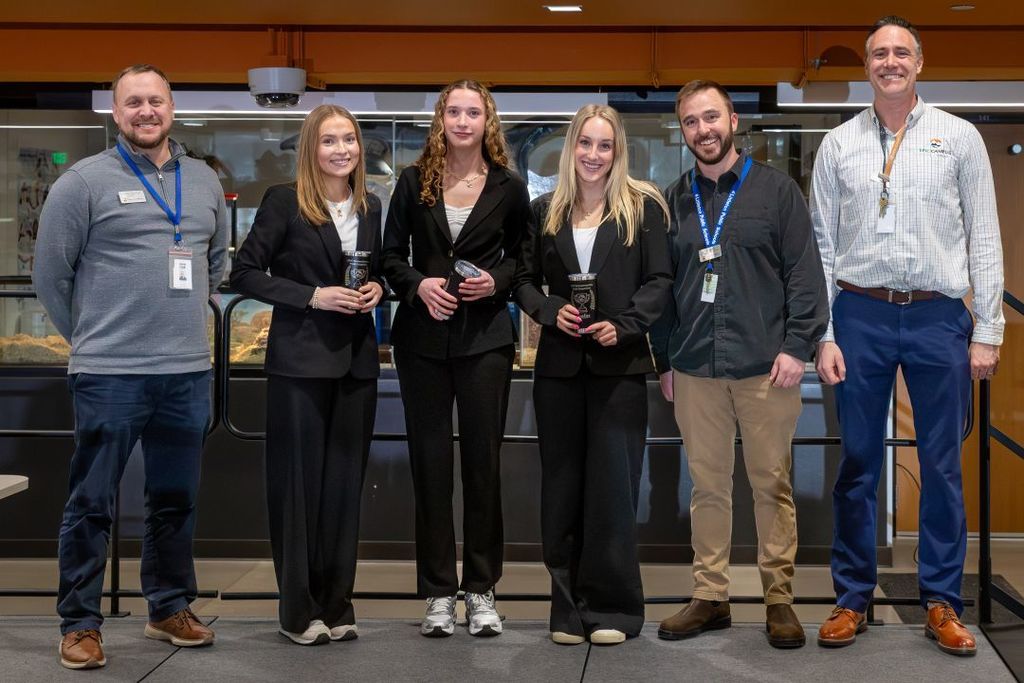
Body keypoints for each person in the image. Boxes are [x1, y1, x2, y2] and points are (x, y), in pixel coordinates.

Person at [811, 16, 1003, 656]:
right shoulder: (838, 145)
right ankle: (851, 597)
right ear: (866, 66)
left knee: (943, 467)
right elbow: (821, 248)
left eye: (900, 52)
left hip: (938, 317)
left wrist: (988, 329)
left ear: (920, 63)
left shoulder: (960, 137)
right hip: (859, 314)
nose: (889, 61)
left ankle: (942, 599)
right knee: (858, 465)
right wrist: (826, 333)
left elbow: (986, 238)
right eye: (878, 53)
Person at [33, 64, 227, 669]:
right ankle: (80, 623)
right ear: (115, 113)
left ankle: (168, 607)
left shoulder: (203, 182)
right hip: (109, 373)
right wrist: (91, 339)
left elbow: (215, 265)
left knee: (176, 499)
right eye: (133, 102)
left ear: (172, 108)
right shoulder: (81, 183)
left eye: (157, 101)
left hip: (187, 371)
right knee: (91, 500)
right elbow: (50, 276)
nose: (146, 111)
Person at [651, 80, 828, 649]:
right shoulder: (673, 199)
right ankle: (711, 597)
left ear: (731, 120)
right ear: (682, 131)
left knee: (771, 485)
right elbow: (662, 289)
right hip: (695, 369)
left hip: (765, 368)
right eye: (690, 122)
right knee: (706, 487)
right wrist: (665, 359)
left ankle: (779, 600)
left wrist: (797, 348)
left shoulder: (777, 192)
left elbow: (806, 277)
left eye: (711, 117)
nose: (702, 130)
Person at [514, 104, 672, 646]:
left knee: (612, 492)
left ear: (617, 151)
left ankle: (614, 610)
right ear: (570, 147)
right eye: (585, 143)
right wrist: (548, 309)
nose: (594, 155)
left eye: (605, 146)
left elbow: (659, 282)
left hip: (618, 368)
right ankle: (566, 611)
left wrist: (624, 326)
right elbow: (524, 282)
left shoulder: (642, 208)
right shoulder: (543, 212)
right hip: (558, 370)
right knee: (560, 491)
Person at [231, 105, 384, 646]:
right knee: (298, 491)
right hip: (298, 363)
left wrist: (378, 289)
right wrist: (312, 296)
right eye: (329, 141)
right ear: (310, 149)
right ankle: (298, 611)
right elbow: (244, 272)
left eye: (349, 140)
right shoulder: (283, 202)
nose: (341, 149)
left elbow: (377, 266)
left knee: (344, 490)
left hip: (357, 364)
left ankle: (337, 605)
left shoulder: (370, 205)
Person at [381, 79, 530, 638]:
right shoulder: (414, 182)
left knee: (483, 468)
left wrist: (495, 281)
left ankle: (483, 589)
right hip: (421, 342)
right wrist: (418, 285)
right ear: (440, 119)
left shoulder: (510, 188)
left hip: (485, 342)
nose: (463, 121)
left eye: (474, 112)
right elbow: (391, 257)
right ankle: (440, 592)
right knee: (430, 467)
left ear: (486, 121)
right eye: (454, 112)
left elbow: (523, 263)